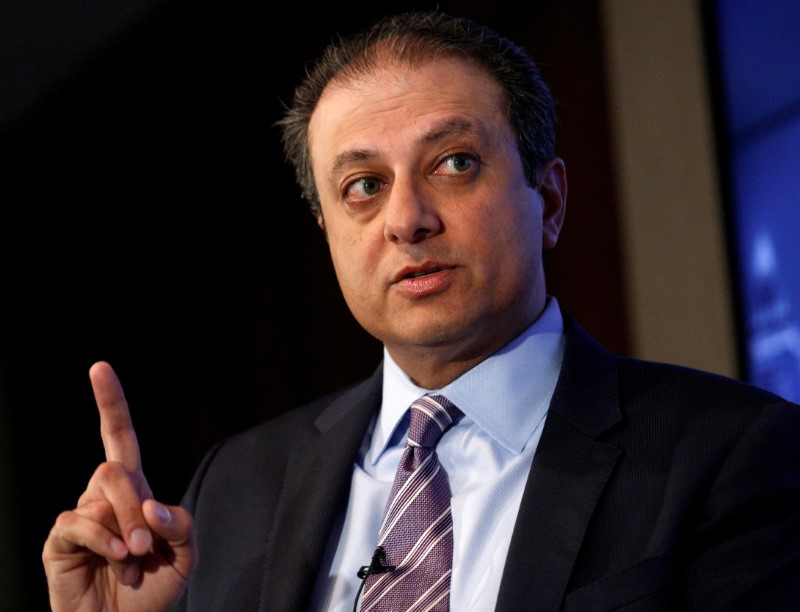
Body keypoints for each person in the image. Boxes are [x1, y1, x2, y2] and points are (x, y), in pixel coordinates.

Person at [42, 9, 800, 612]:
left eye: (454, 164)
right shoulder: (235, 486)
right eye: (363, 186)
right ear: (329, 235)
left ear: (552, 201)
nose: (406, 219)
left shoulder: (734, 455)